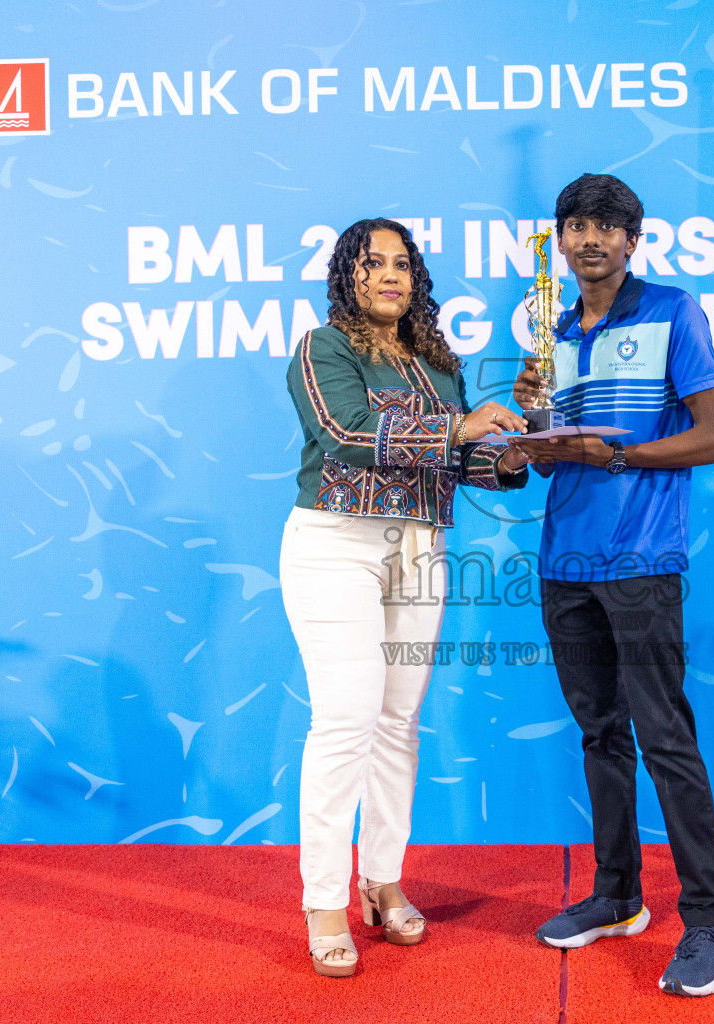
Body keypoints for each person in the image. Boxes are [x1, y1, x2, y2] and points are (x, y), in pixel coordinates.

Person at [281, 218, 530, 976]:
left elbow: (454, 466)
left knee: (398, 723)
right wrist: (460, 425)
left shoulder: (436, 362)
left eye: (401, 263)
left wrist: (518, 449)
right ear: (345, 277)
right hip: (336, 544)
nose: (389, 274)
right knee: (345, 722)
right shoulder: (325, 349)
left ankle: (381, 880)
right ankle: (324, 900)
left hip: (421, 550)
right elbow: (347, 433)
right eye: (371, 263)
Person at [509, 174, 714, 996]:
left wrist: (621, 456)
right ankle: (617, 896)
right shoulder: (554, 334)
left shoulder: (673, 312)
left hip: (642, 562)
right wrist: (531, 425)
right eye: (576, 225)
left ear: (634, 238)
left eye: (609, 225)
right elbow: (547, 457)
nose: (591, 238)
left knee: (666, 741)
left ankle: (707, 924)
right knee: (600, 734)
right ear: (561, 240)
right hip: (563, 562)